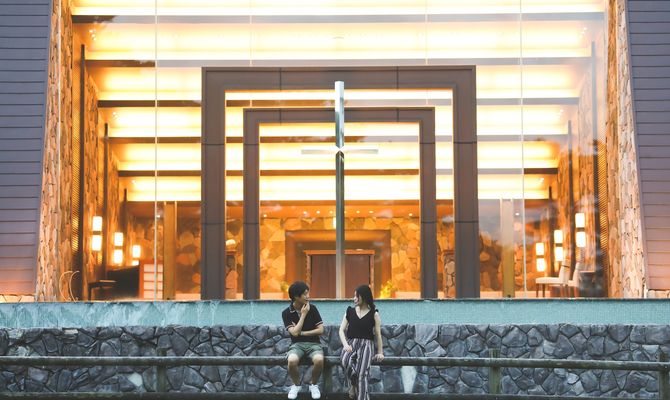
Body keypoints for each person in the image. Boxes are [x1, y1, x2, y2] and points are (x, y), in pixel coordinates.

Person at [339, 284, 384, 400]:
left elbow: (378, 335)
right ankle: (353, 384)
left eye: (356, 296)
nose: (354, 298)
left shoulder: (374, 314)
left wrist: (380, 352)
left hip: (366, 345)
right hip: (351, 344)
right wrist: (345, 345)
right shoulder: (349, 311)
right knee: (345, 361)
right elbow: (341, 330)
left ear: (363, 297)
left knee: (362, 375)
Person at [281, 281, 324, 399]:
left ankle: (313, 385)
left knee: (319, 360)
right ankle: (296, 385)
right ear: (296, 296)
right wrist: (303, 314)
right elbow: (294, 333)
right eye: (305, 294)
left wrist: (303, 333)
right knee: (292, 361)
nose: (308, 296)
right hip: (297, 345)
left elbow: (321, 330)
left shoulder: (313, 308)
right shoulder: (286, 313)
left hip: (314, 344)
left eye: (308, 293)